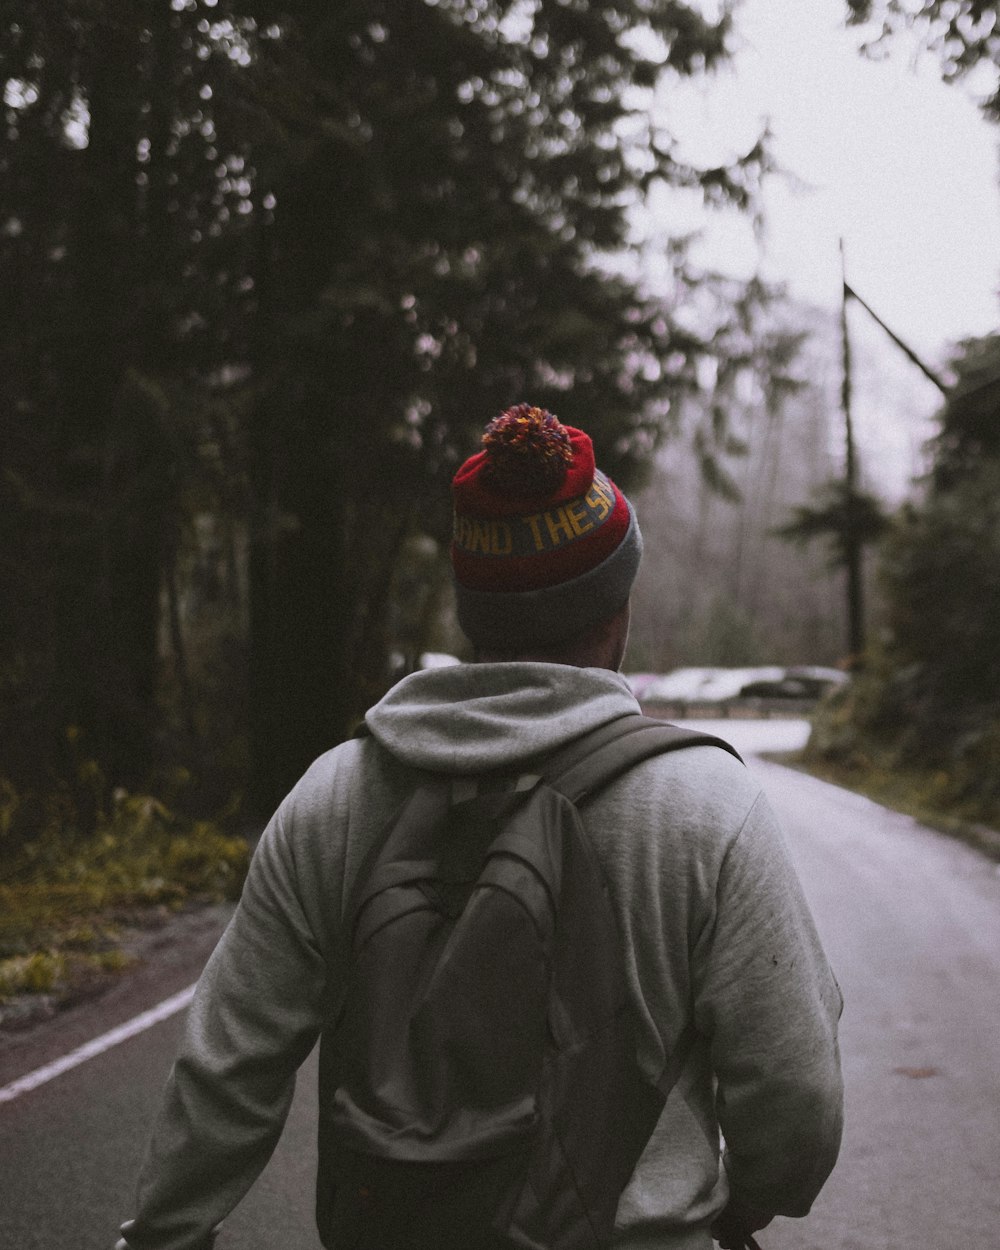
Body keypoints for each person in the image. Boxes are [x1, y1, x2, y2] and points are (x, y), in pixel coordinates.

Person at [117, 404, 843, 1250]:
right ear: (617, 607)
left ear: (473, 616)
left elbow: (227, 1065)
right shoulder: (705, 802)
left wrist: (164, 1233)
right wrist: (752, 1197)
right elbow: (794, 1095)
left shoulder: (336, 795)